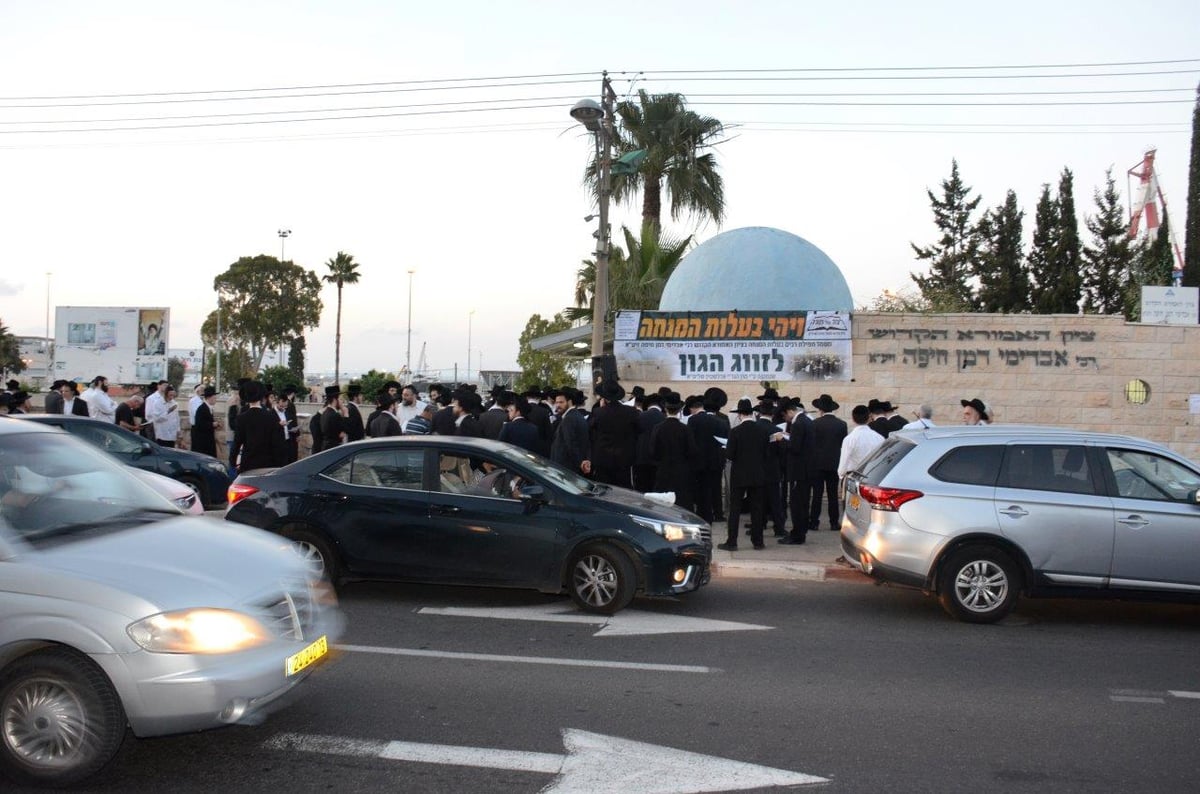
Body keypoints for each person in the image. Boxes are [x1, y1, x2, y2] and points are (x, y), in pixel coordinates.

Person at [721, 399, 771, 551]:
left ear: (740, 415)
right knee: (757, 508)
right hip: (758, 475)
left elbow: (730, 455)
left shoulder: (735, 432)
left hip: (739, 475)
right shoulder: (762, 431)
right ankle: (758, 542)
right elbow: (766, 454)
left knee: (735, 509)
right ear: (752, 413)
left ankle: (732, 541)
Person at [586, 380, 640, 488]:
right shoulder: (631, 412)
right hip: (624, 460)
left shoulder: (598, 413)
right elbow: (638, 430)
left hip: (603, 460)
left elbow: (590, 430)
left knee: (604, 490)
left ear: (604, 397)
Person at [650, 392, 698, 510]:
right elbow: (692, 451)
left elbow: (653, 452)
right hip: (682, 472)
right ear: (680, 409)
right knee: (683, 504)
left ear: (665, 408)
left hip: (663, 470)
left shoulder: (658, 428)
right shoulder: (685, 429)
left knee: (662, 505)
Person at [808, 394, 847, 532]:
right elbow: (843, 443)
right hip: (834, 464)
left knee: (817, 495)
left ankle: (814, 522)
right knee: (832, 495)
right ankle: (834, 522)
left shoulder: (814, 424)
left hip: (817, 464)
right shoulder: (842, 424)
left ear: (820, 409)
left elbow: (811, 444)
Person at [231, 381, 286, 472]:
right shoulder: (271, 417)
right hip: (267, 465)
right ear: (261, 397)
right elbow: (278, 445)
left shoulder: (241, 419)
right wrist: (280, 465)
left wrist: (233, 462)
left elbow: (237, 443)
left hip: (248, 464)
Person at [780, 398, 814, 545]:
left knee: (797, 504)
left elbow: (795, 448)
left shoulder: (799, 423)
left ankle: (797, 535)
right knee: (803, 502)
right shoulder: (806, 420)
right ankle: (800, 531)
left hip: (799, 470)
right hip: (806, 469)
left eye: (784, 416)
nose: (785, 419)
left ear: (790, 412)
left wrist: (783, 439)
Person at [838, 404, 885, 484]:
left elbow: (844, 462)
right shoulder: (879, 438)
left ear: (853, 419)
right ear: (869, 418)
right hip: (874, 478)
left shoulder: (849, 439)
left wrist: (841, 475)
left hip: (854, 477)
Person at [549, 387, 589, 474]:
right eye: (556, 402)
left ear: (569, 402)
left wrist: (580, 463)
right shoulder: (575, 416)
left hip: (566, 469)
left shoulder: (570, 418)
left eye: (561, 402)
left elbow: (571, 444)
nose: (558, 405)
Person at [633, 391, 664, 492]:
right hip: (658, 459)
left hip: (641, 457)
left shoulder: (640, 416)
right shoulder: (664, 417)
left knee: (642, 488)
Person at [146, 381, 180, 447]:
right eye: (170, 395)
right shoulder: (158, 403)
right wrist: (168, 411)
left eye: (173, 395)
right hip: (162, 433)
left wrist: (178, 430)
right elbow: (157, 418)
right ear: (166, 394)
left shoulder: (174, 403)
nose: (172, 397)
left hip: (172, 434)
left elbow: (177, 418)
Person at [190, 386, 220, 458]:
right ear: (209, 398)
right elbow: (199, 424)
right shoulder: (202, 409)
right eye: (215, 398)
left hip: (208, 441)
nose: (216, 400)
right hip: (203, 443)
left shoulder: (208, 408)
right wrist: (212, 424)